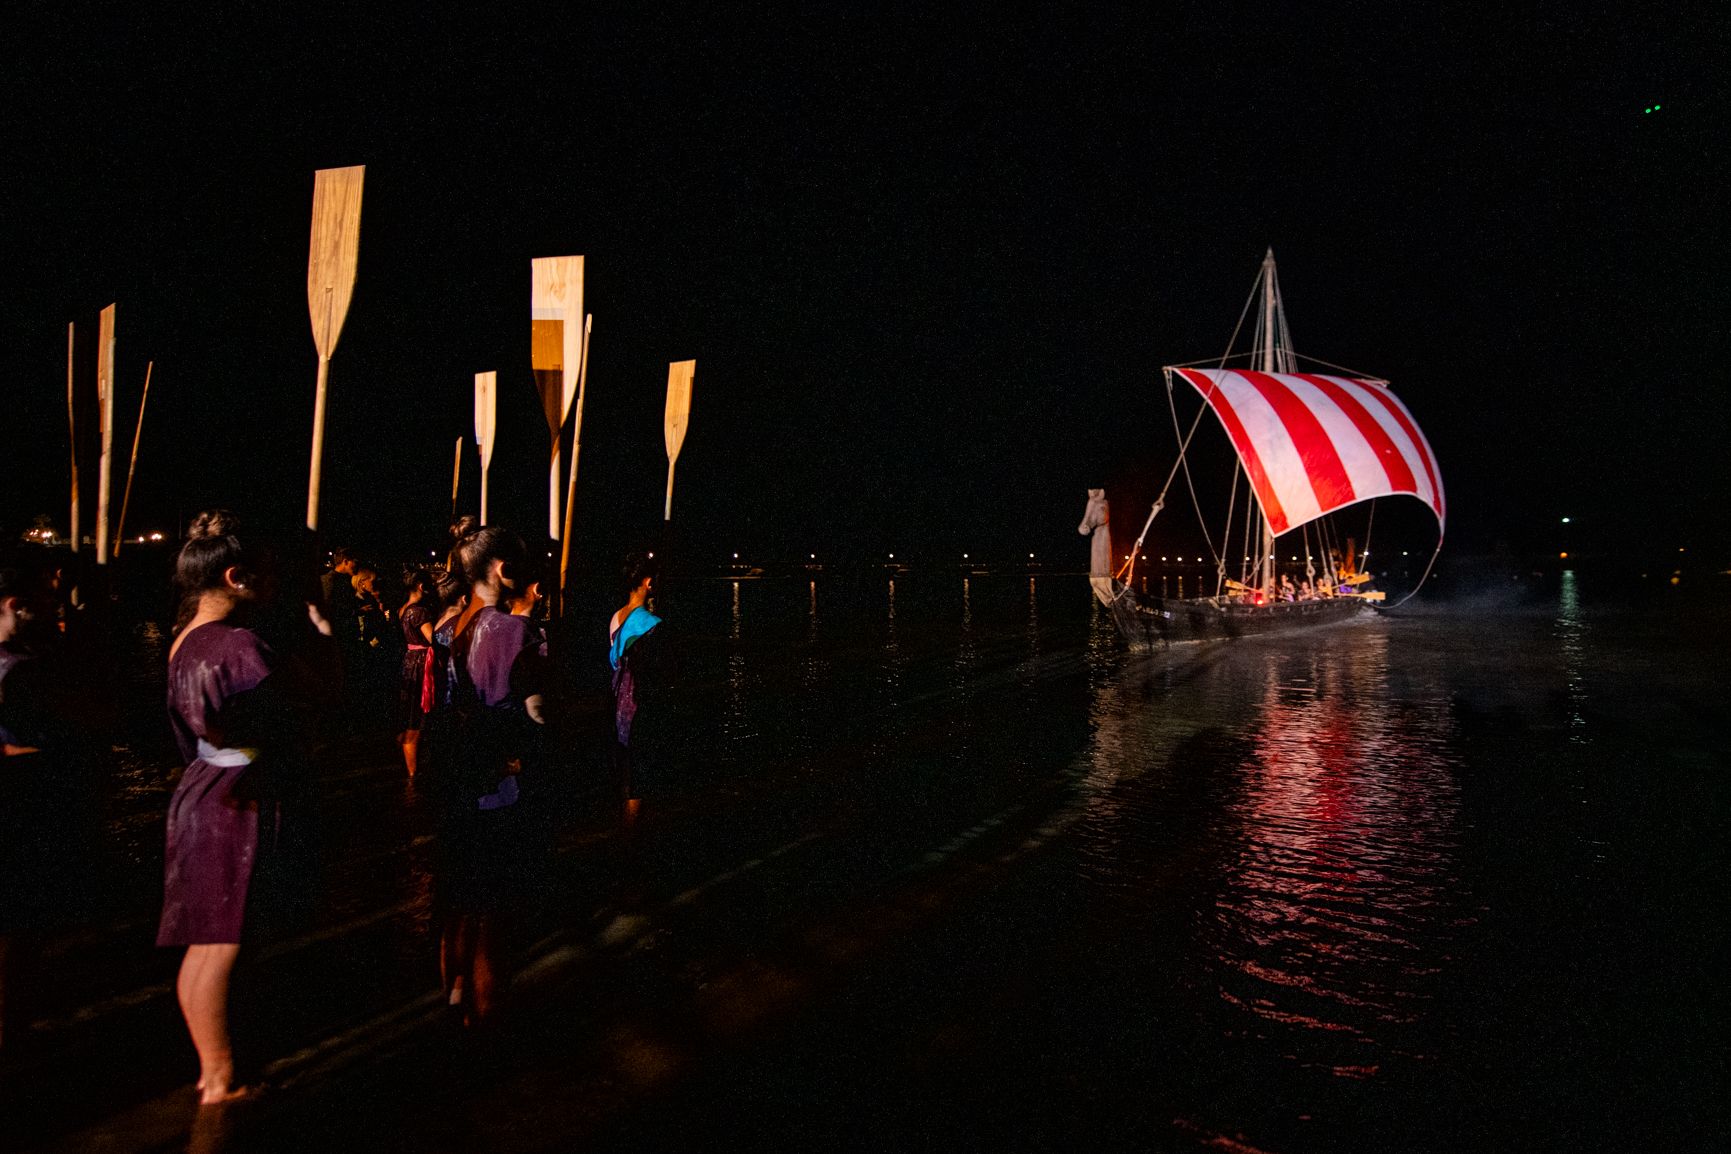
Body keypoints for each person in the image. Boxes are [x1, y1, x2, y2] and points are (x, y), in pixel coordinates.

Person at [156, 511, 332, 1104]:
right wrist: (322, 642)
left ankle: (214, 1067)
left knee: (206, 941)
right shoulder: (239, 646)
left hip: (203, 787)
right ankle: (222, 1077)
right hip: (239, 799)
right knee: (226, 939)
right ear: (236, 576)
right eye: (268, 572)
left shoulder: (185, 638)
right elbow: (303, 707)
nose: (276, 581)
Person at [429, 527, 549, 1029]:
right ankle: (487, 1012)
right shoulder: (510, 630)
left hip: (456, 774)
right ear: (502, 569)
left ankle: (454, 997)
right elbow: (532, 713)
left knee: (458, 897)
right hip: (495, 778)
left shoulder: (451, 624)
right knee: (492, 905)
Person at [609, 553, 664, 803]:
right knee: (640, 780)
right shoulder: (651, 624)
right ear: (648, 582)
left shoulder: (615, 617)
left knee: (626, 771)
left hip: (618, 702)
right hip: (640, 704)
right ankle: (632, 837)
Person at [397, 568, 440, 779]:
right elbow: (434, 639)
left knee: (410, 714)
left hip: (410, 661)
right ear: (422, 587)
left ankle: (411, 770)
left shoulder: (403, 609)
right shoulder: (420, 612)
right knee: (417, 718)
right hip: (422, 665)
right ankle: (414, 773)